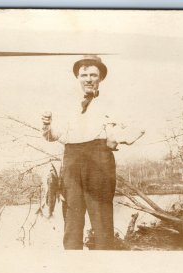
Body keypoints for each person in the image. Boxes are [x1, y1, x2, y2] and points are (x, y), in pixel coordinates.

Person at [41, 55, 144, 250]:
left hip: (99, 161)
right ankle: (72, 269)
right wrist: (46, 125)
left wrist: (119, 137)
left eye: (93, 75)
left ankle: (104, 272)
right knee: (72, 220)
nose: (88, 79)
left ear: (101, 78)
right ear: (78, 77)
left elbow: (139, 127)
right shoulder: (66, 104)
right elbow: (52, 136)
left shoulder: (113, 102)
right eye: (84, 74)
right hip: (71, 160)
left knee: (102, 220)